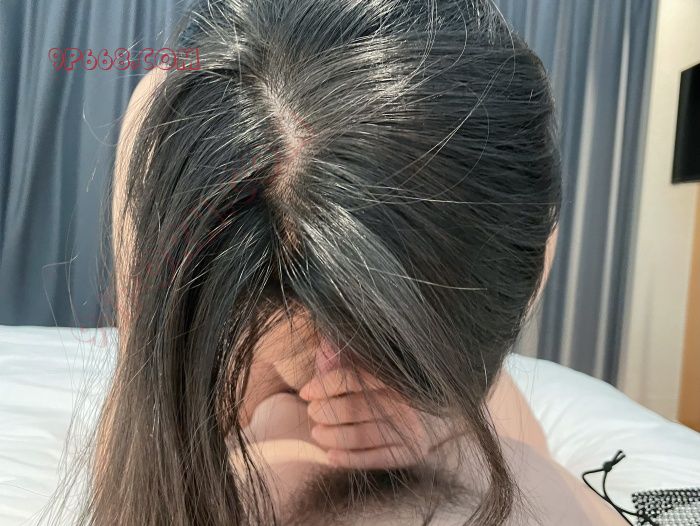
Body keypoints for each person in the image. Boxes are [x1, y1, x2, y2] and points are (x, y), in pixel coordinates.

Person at [91, 0, 628, 524]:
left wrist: (438, 413)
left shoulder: (504, 181)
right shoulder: (174, 125)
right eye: (289, 294)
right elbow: (143, 410)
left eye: (378, 333)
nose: (334, 365)